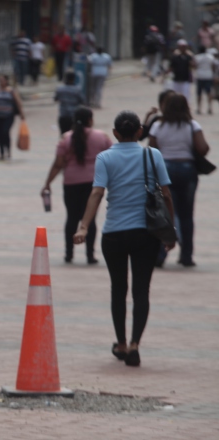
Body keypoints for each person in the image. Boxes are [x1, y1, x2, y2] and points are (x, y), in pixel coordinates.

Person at [74, 111, 174, 367]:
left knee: (118, 289)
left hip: (114, 234)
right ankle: (134, 344)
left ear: (116, 133)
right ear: (140, 131)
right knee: (142, 290)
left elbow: (97, 193)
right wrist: (170, 231)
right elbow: (166, 195)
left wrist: (84, 226)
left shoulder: (105, 157)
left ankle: (119, 342)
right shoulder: (153, 155)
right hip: (147, 233)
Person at [42, 106, 112, 264]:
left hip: (71, 182)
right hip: (93, 183)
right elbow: (113, 157)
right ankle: (90, 255)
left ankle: (69, 254)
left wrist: (47, 183)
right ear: (90, 120)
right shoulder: (101, 137)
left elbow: (58, 164)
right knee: (90, 219)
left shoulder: (66, 139)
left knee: (72, 218)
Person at [148, 94, 210, 267]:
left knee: (164, 214)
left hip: (164, 171)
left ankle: (160, 255)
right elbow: (203, 148)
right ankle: (186, 256)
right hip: (187, 170)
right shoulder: (192, 125)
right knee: (186, 214)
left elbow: (152, 148)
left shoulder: (158, 126)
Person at [54, 71, 86, 135]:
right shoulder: (77, 90)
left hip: (63, 115)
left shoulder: (60, 89)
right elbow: (83, 101)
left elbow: (55, 99)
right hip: (74, 116)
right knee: (74, 135)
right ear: (74, 78)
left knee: (63, 135)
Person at [193, 46, 217, 114]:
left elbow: (195, 66)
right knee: (208, 92)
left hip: (200, 76)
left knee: (199, 93)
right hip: (208, 76)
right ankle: (210, 108)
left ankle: (199, 108)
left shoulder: (197, 57)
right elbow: (213, 66)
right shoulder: (210, 57)